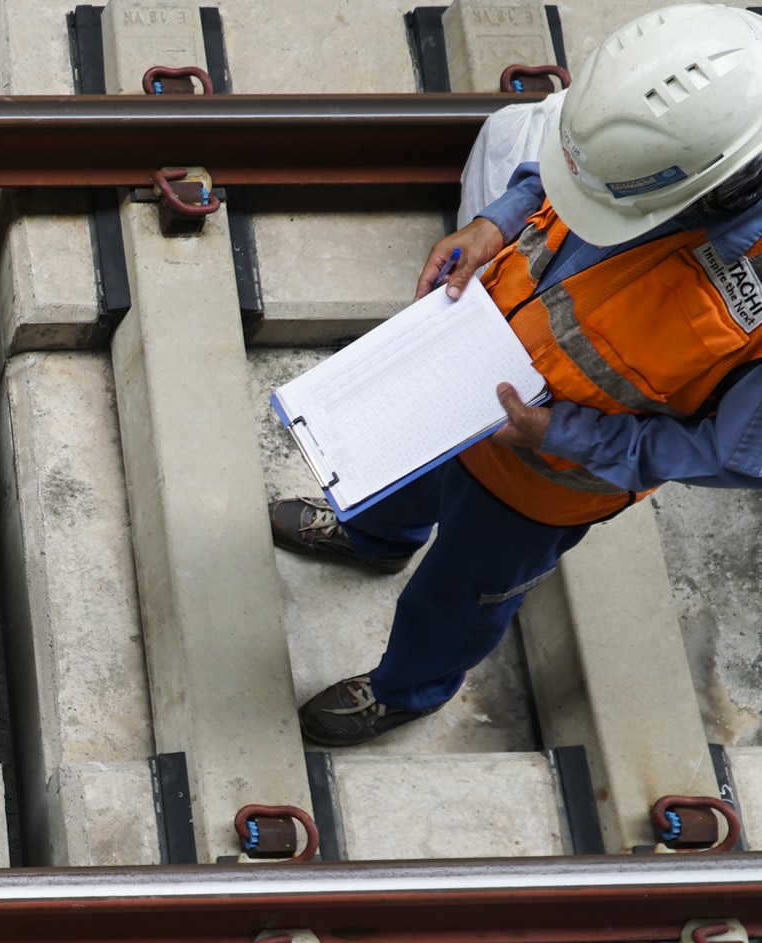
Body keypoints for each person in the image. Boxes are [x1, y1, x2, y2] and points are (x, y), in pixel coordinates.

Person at [270, 3, 762, 745]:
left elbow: (719, 451)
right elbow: (574, 169)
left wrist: (558, 432)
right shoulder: (695, 88)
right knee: (395, 470)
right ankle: (373, 537)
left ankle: (409, 688)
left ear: (714, 184)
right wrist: (497, 220)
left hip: (543, 483)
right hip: (465, 358)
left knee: (462, 596)